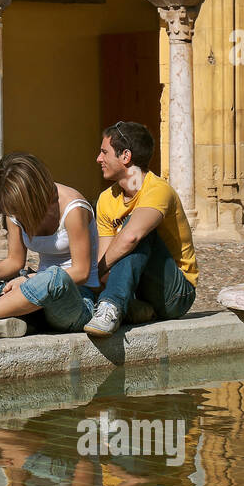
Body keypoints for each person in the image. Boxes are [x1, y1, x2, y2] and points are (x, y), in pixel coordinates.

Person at [0, 152, 99, 340]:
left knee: (54, 276)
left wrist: (29, 279)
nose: (16, 216)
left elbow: (81, 272)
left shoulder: (73, 208)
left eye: (18, 210)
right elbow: (15, 261)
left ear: (33, 197)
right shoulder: (14, 207)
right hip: (34, 290)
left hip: (74, 298)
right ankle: (17, 317)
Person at [84, 121, 197, 337]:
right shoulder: (106, 199)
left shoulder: (157, 190)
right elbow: (106, 257)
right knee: (121, 242)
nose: (98, 159)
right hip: (136, 288)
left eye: (104, 152)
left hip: (176, 293)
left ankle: (111, 305)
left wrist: (91, 274)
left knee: (137, 232)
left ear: (125, 156)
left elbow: (130, 238)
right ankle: (133, 307)